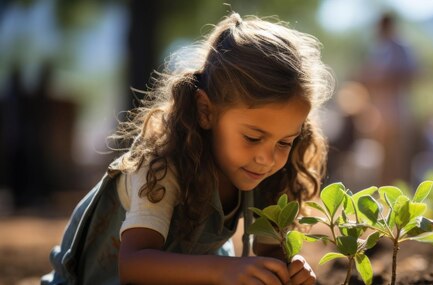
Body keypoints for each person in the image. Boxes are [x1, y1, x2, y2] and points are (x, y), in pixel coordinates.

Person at [42, 12, 333, 285]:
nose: (267, 158)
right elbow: (133, 265)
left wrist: (289, 267)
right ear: (206, 110)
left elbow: (269, 251)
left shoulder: (268, 172)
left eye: (284, 142)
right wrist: (226, 270)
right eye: (253, 138)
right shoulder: (161, 167)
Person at [358, 13, 419, 186]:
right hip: (380, 113)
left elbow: (411, 75)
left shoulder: (401, 47)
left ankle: (399, 190)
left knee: (397, 153)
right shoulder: (379, 49)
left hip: (397, 111)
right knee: (382, 153)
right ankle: (384, 190)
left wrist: (381, 80)